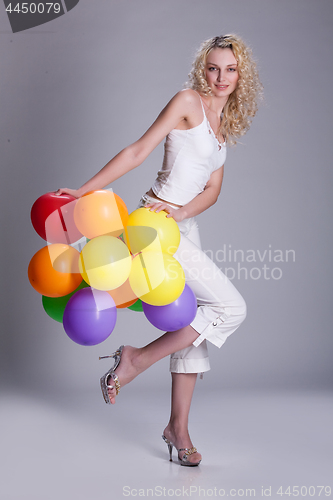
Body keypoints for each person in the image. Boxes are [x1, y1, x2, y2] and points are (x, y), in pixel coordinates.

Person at [55, 34, 263, 466]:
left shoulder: (224, 126)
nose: (221, 77)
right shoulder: (187, 101)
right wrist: (85, 190)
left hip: (184, 226)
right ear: (202, 70)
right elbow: (138, 150)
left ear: (242, 74)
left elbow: (213, 190)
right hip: (154, 227)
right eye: (213, 68)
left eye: (230, 69)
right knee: (230, 308)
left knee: (192, 331)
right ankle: (135, 359)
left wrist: (182, 210)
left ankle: (177, 430)